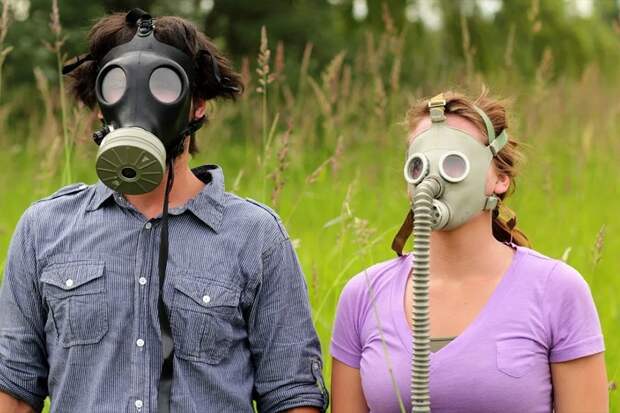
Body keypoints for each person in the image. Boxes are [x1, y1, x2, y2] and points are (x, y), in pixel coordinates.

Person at [0, 10, 328, 413]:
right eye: (117, 85)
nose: (139, 104)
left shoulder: (255, 236)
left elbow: (293, 396)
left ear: (198, 104)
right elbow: (14, 392)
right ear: (100, 105)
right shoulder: (44, 229)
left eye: (164, 85)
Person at [330, 91, 608, 412]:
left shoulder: (556, 291)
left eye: (453, 163)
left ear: (500, 180)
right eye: (419, 166)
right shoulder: (364, 296)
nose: (433, 179)